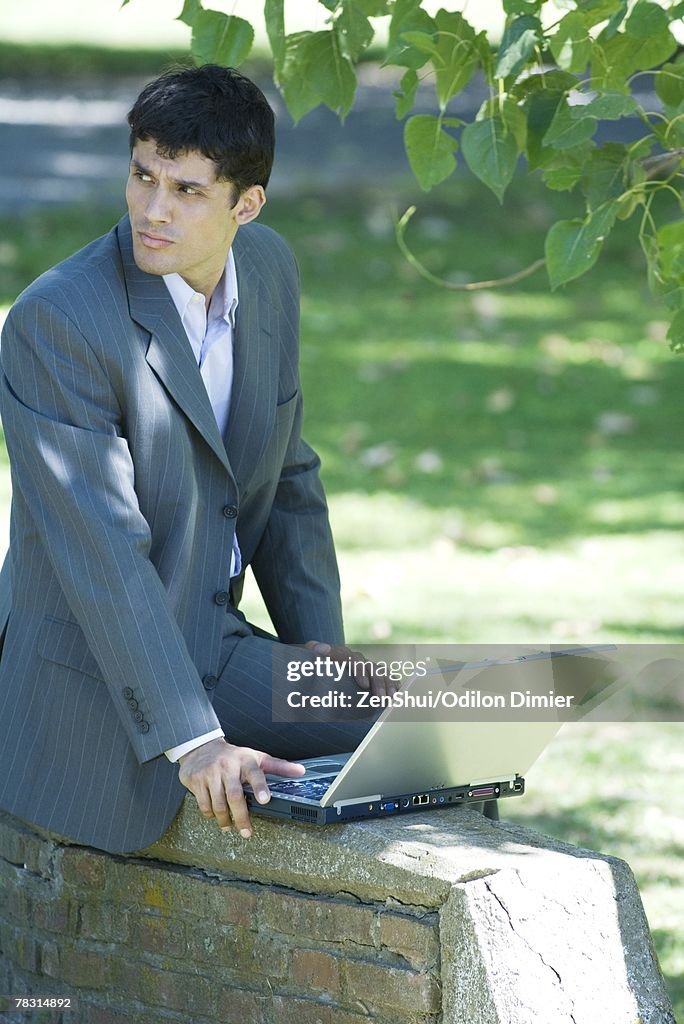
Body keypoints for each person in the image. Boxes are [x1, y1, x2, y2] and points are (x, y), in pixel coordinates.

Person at [0, 65, 382, 856]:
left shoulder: (269, 270)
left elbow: (291, 467)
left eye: (187, 191)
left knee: (456, 715)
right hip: (98, 675)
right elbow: (100, 551)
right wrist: (195, 742)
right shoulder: (57, 321)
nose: (152, 209)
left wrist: (320, 647)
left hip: (216, 641)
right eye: (143, 176)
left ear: (247, 205)